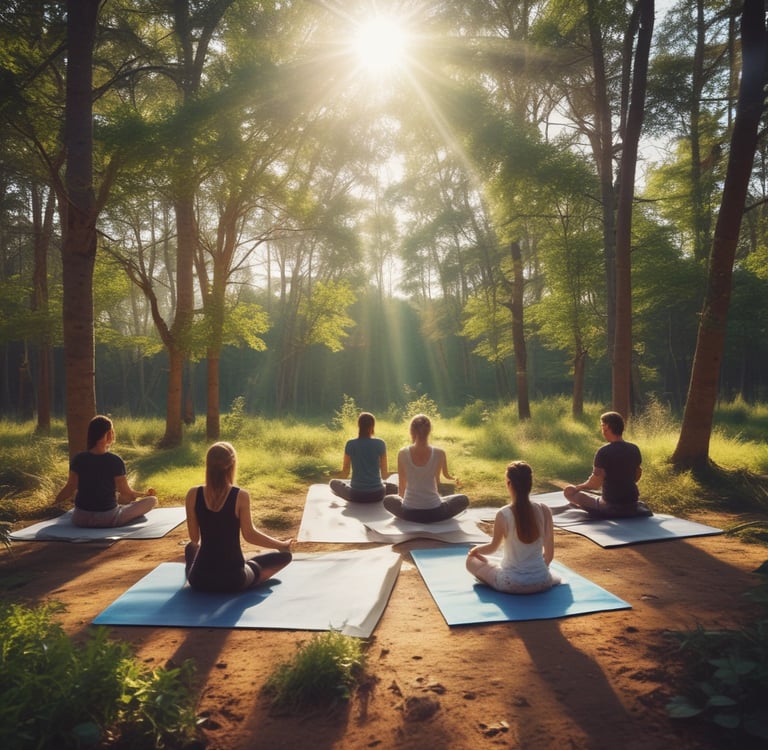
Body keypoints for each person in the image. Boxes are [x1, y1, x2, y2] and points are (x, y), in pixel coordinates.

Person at [184, 442, 293, 593]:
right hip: (234, 579)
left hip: (200, 580)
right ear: (232, 464)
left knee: (190, 548)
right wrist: (281, 545)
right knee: (283, 557)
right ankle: (249, 563)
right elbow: (249, 535)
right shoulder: (240, 495)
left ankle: (245, 560)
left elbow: (194, 538)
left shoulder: (192, 494)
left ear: (208, 465)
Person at [466, 461, 561, 594]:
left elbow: (493, 547)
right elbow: (549, 556)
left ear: (509, 484)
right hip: (543, 582)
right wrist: (535, 573)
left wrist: (475, 550)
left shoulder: (503, 514)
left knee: (471, 561)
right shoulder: (544, 510)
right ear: (530, 483)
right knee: (499, 562)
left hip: (512, 584)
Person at [55, 415, 158, 528]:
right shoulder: (115, 461)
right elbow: (126, 493)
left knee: (119, 508)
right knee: (152, 501)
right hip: (108, 519)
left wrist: (54, 504)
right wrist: (145, 495)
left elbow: (69, 488)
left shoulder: (78, 459)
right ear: (109, 434)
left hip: (80, 519)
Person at [563, 411, 651, 518]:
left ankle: (595, 508)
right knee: (600, 494)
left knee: (569, 491)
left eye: (602, 427)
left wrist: (579, 487)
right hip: (632, 504)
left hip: (611, 506)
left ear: (606, 428)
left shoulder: (603, 452)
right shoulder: (634, 449)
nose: (602, 431)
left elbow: (595, 484)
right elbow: (637, 475)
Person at [382, 414, 469, 523]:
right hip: (435, 512)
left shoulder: (402, 453)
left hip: (409, 513)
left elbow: (402, 484)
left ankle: (415, 514)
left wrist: (406, 503)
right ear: (429, 431)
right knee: (463, 499)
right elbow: (436, 482)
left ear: (411, 431)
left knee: (388, 500)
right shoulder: (440, 453)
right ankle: (433, 510)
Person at [329, 411, 398, 503]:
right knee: (394, 481)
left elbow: (345, 472)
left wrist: (341, 479)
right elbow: (384, 475)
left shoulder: (350, 444)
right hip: (378, 494)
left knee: (333, 483)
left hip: (356, 495)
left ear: (359, 426)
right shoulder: (380, 443)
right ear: (372, 427)